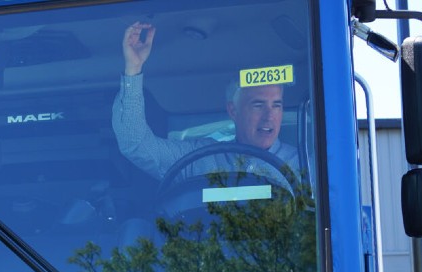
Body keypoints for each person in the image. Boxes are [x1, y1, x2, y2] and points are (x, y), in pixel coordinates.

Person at [112, 22, 301, 183]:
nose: (269, 116)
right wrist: (133, 68)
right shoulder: (200, 159)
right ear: (233, 111)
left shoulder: (306, 165)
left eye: (276, 105)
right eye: (258, 105)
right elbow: (137, 146)